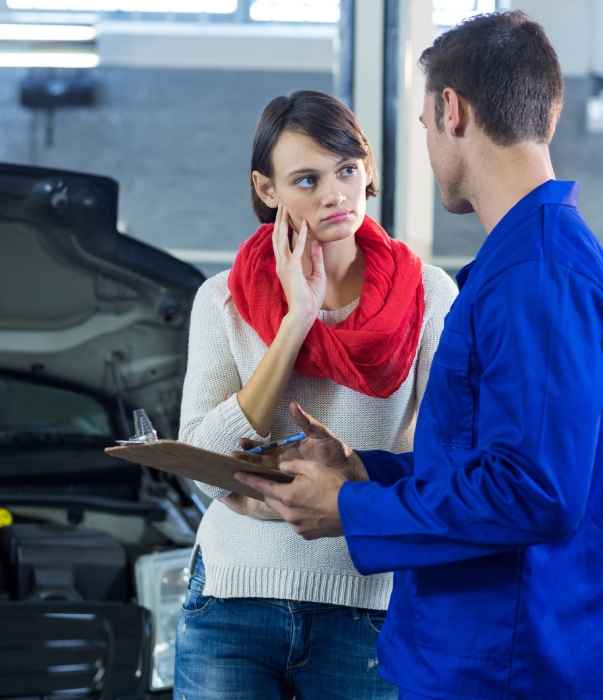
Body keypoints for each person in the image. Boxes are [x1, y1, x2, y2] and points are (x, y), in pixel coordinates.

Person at [236, 12, 603, 700]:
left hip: (509, 664)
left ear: (451, 110)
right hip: (483, 651)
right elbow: (485, 461)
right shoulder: (517, 263)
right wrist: (365, 470)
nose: (426, 142)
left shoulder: (537, 275)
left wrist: (352, 509)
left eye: (423, 125)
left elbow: (532, 490)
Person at [174, 89, 458, 699]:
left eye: (348, 170)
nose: (335, 194)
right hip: (233, 600)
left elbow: (444, 467)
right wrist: (295, 320)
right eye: (306, 179)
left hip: (365, 609)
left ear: (368, 171)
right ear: (267, 188)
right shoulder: (222, 299)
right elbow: (202, 464)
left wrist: (354, 483)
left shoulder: (429, 297)